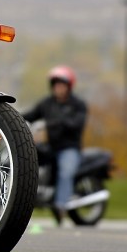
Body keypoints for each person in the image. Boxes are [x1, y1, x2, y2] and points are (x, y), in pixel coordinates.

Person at [22, 65, 88, 225]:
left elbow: (76, 123)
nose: (58, 87)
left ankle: (60, 206)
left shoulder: (78, 104)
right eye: (56, 84)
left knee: (65, 172)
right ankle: (29, 194)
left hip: (69, 148)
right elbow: (31, 115)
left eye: (62, 84)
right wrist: (11, 117)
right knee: (28, 159)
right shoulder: (47, 103)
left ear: (69, 86)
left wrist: (53, 123)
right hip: (50, 147)